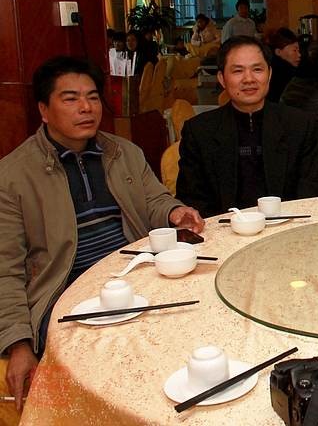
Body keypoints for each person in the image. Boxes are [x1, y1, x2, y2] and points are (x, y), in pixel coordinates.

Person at [0, 56, 204, 409]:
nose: (86, 108)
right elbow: (5, 269)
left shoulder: (123, 152)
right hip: (64, 294)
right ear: (44, 110)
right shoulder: (13, 176)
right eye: (71, 98)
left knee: (192, 319)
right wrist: (18, 343)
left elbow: (154, 199)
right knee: (114, 363)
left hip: (134, 275)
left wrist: (173, 211)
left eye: (92, 97)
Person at [177, 36, 318, 217]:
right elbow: (193, 199)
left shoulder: (300, 125)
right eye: (238, 71)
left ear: (269, 74)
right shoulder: (199, 131)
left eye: (257, 69)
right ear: (222, 78)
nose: (249, 79)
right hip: (225, 229)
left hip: (289, 225)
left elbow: (310, 192)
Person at [266, 27, 301, 102]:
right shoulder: (286, 75)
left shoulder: (268, 69)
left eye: (299, 50)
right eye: (294, 50)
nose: (299, 55)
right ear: (278, 52)